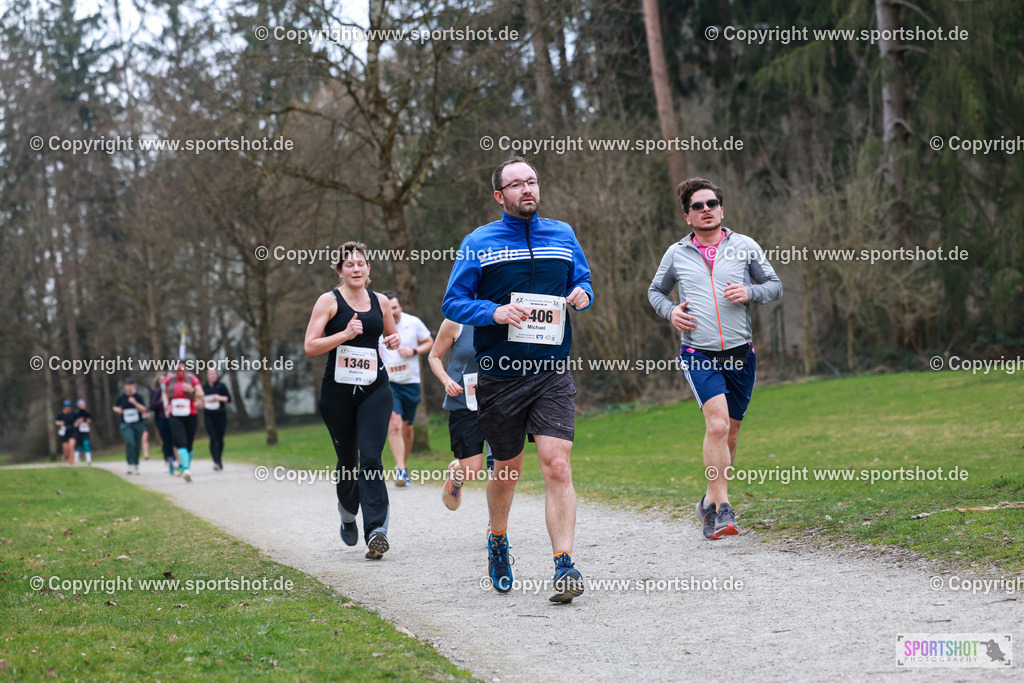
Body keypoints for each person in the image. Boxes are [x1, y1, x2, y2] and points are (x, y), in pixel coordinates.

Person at [442, 156, 594, 603]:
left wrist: (583, 295)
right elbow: (454, 302)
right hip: (499, 375)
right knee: (506, 471)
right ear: (499, 195)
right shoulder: (478, 242)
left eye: (532, 181)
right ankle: (498, 536)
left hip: (551, 369)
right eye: (516, 184)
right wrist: (494, 312)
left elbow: (582, 281)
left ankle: (564, 563)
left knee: (558, 464)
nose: (527, 189)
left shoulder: (563, 234)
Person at [647, 177, 782, 541]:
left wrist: (750, 291)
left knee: (731, 432)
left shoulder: (745, 246)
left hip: (740, 353)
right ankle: (722, 509)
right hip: (698, 351)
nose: (705, 210)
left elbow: (774, 285)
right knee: (718, 426)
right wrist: (671, 312)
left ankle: (708, 500)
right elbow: (655, 291)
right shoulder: (677, 253)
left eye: (711, 204)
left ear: (721, 209)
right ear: (687, 216)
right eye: (697, 207)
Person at [304, 241, 401, 559]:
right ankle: (347, 514)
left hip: (375, 388)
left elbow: (389, 334)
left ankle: (376, 530)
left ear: (368, 268)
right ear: (340, 271)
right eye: (349, 265)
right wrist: (344, 334)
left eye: (361, 263)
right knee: (348, 461)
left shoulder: (381, 301)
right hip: (338, 394)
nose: (356, 269)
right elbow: (311, 345)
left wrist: (393, 338)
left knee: (371, 457)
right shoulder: (328, 301)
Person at [377, 292, 433, 487]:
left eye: (394, 307)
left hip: (410, 381)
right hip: (388, 382)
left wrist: (414, 351)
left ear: (400, 307)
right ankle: (400, 470)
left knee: (408, 429)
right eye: (388, 308)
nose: (391, 312)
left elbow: (429, 342)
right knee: (394, 424)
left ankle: (404, 465)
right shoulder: (377, 324)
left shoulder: (413, 322)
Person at [162, 362, 204, 482]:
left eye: (182, 370)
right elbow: (164, 393)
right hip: (175, 414)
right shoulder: (170, 380)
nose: (180, 372)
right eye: (177, 370)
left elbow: (201, 395)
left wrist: (192, 390)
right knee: (181, 442)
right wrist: (165, 402)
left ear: (185, 369)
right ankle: (186, 469)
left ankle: (185, 465)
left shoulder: (192, 379)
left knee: (189, 444)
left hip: (190, 413)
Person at [113, 379, 149, 474]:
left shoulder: (138, 397)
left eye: (131, 385)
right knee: (130, 442)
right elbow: (115, 407)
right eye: (127, 385)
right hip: (126, 424)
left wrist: (134, 403)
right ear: (125, 386)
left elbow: (143, 410)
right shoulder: (121, 397)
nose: (129, 387)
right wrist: (118, 410)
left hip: (138, 424)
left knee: (137, 444)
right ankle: (130, 464)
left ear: (134, 386)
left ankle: (136, 464)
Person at [202, 367, 232, 470]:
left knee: (220, 438)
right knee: (213, 437)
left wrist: (218, 398)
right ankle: (215, 461)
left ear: (216, 375)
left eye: (213, 374)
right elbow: (200, 400)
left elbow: (228, 399)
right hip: (209, 415)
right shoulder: (204, 387)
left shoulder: (221, 386)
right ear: (207, 375)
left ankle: (219, 459)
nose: (212, 376)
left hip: (220, 415)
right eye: (210, 374)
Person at [150, 372, 178, 474]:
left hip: (174, 417)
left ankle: (176, 459)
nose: (163, 381)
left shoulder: (173, 389)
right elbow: (152, 405)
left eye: (164, 379)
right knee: (166, 440)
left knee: (175, 439)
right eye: (160, 380)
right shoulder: (157, 391)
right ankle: (168, 460)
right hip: (162, 419)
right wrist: (163, 403)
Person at [55, 401, 78, 465]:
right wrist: (60, 423)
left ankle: (71, 460)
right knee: (66, 449)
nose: (67, 408)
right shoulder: (61, 414)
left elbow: (78, 419)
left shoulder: (74, 414)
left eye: (68, 407)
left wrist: (77, 423)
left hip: (72, 431)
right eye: (66, 407)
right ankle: (65, 455)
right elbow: (56, 422)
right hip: (64, 432)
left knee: (71, 445)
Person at [73, 399, 93, 466]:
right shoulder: (76, 413)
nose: (83, 406)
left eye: (84, 404)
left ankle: (88, 460)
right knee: (79, 446)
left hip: (85, 431)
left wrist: (88, 420)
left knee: (87, 444)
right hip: (79, 432)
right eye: (82, 404)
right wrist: (79, 421)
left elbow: (90, 420)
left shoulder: (87, 413)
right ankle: (76, 456)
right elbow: (74, 424)